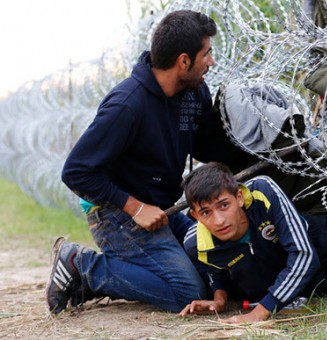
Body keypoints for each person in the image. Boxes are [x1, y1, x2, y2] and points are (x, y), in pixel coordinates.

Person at [47, 10, 229, 315]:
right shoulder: (127, 105)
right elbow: (76, 171)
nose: (210, 62)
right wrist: (135, 207)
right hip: (117, 215)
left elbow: (206, 145)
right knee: (187, 292)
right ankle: (83, 266)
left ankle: (125, 271)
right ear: (184, 61)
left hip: (163, 210)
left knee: (216, 272)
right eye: (206, 54)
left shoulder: (194, 93)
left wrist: (265, 150)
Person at [178, 162, 327, 323]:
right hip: (309, 282)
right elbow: (218, 271)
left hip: (324, 242)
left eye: (224, 205)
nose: (219, 220)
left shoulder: (262, 191)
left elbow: (304, 255)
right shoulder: (195, 244)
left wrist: (261, 311)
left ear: (239, 198)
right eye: (206, 212)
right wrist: (219, 299)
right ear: (195, 216)